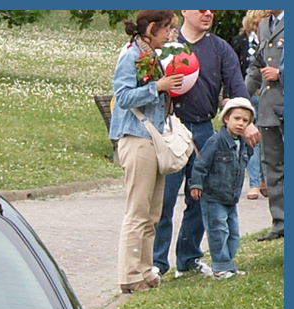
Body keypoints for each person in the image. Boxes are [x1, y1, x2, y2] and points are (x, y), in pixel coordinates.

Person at [151, 10, 259, 279]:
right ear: (184, 11)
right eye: (200, 8)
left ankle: (188, 260)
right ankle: (158, 264)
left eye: (211, 8)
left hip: (202, 129)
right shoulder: (165, 45)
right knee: (164, 199)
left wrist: (248, 120)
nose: (207, 12)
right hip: (170, 128)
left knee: (199, 197)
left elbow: (236, 86)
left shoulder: (220, 47)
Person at [109, 11, 187, 293]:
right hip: (136, 137)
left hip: (154, 138)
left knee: (153, 212)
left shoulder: (153, 56)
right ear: (151, 28)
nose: (169, 36)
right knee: (137, 211)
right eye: (167, 30)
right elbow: (123, 95)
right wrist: (158, 86)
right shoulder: (131, 55)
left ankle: (145, 270)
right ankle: (129, 275)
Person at [189, 97, 255, 278]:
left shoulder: (242, 144)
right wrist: (196, 184)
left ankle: (228, 264)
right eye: (237, 119)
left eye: (245, 121)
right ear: (226, 119)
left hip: (230, 197)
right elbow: (200, 164)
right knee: (218, 231)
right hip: (213, 196)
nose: (241, 124)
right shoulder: (216, 141)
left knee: (233, 233)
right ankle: (220, 267)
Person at [246, 10, 284, 240]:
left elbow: (274, 68)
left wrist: (280, 73)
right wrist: (241, 95)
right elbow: (257, 64)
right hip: (269, 108)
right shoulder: (263, 26)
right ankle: (280, 224)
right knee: (273, 167)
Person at [231, 10, 270, 199]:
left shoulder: (272, 39)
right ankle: (254, 182)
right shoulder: (239, 42)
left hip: (267, 96)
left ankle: (265, 180)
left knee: (268, 139)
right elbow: (233, 70)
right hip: (247, 94)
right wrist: (233, 96)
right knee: (252, 139)